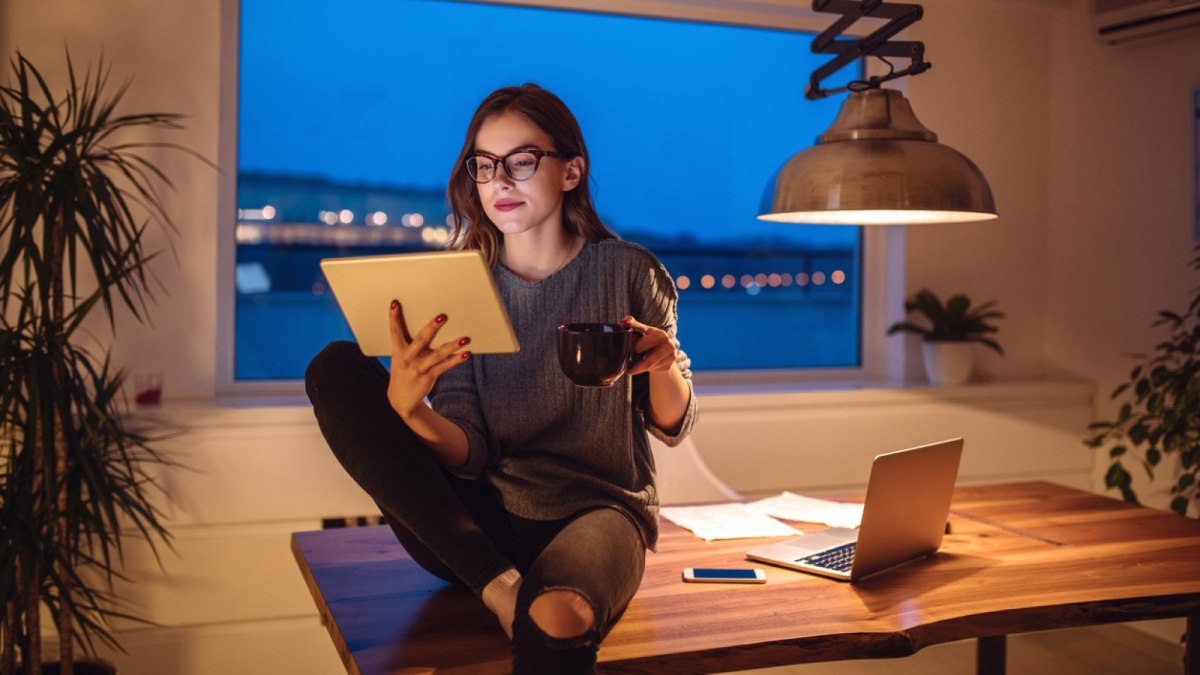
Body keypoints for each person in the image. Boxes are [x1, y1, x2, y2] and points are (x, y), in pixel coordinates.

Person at [304, 83, 697, 673]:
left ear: (570, 172)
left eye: (521, 161)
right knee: (334, 367)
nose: (500, 181)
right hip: (476, 527)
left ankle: (513, 593)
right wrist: (413, 411)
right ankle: (495, 585)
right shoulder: (462, 284)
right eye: (484, 166)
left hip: (598, 512)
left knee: (560, 615)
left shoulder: (629, 271)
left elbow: (671, 425)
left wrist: (665, 364)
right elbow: (467, 452)